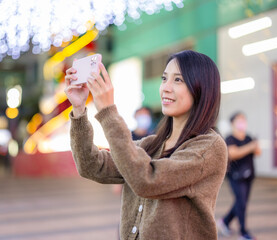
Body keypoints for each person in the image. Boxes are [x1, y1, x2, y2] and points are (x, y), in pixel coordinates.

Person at [65, 50, 228, 239]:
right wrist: (78, 109)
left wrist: (108, 112)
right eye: (164, 78)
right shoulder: (152, 143)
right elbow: (91, 165)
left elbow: (147, 180)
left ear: (201, 88)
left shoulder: (209, 147)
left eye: (178, 80)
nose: (165, 87)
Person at [217, 112, 261, 240]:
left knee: (241, 203)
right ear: (232, 123)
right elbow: (233, 154)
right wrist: (251, 147)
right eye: (239, 119)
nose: (242, 122)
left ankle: (225, 221)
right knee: (241, 203)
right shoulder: (230, 138)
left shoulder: (249, 137)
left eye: (243, 119)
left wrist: (254, 146)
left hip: (249, 176)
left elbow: (258, 152)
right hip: (236, 177)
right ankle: (243, 233)